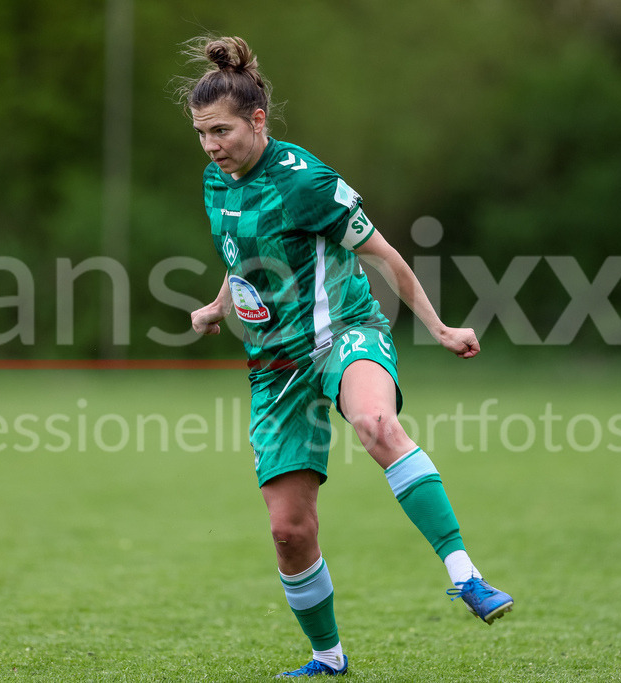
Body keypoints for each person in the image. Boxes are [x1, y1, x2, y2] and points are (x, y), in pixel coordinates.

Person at [180, 36, 513, 678]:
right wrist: (218, 304)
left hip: (345, 333)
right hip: (275, 366)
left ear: (257, 120)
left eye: (220, 130)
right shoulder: (214, 182)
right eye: (200, 134)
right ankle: (328, 657)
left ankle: (467, 576)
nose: (210, 145)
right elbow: (238, 256)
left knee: (374, 424)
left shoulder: (306, 180)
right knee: (288, 531)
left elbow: (381, 253)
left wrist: (439, 328)